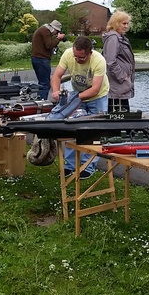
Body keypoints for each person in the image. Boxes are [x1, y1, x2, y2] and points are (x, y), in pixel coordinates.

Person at [50, 35, 109, 179]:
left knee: (94, 132)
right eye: (76, 56)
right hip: (78, 94)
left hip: (98, 97)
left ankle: (88, 166)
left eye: (81, 58)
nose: (77, 60)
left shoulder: (99, 60)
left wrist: (74, 98)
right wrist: (56, 91)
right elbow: (56, 76)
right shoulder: (68, 54)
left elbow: (95, 89)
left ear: (90, 53)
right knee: (72, 128)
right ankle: (69, 166)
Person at [102, 10, 135, 112]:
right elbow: (110, 61)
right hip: (117, 86)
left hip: (121, 87)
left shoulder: (120, 38)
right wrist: (123, 77)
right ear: (116, 23)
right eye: (123, 23)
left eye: (127, 24)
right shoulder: (113, 38)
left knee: (123, 116)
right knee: (118, 116)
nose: (126, 26)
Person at [31, 19, 65, 100]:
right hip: (42, 60)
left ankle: (39, 101)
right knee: (45, 84)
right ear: (54, 29)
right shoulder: (45, 31)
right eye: (57, 32)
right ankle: (42, 102)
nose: (56, 34)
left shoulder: (42, 29)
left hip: (36, 59)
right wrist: (58, 39)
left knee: (41, 83)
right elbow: (49, 45)